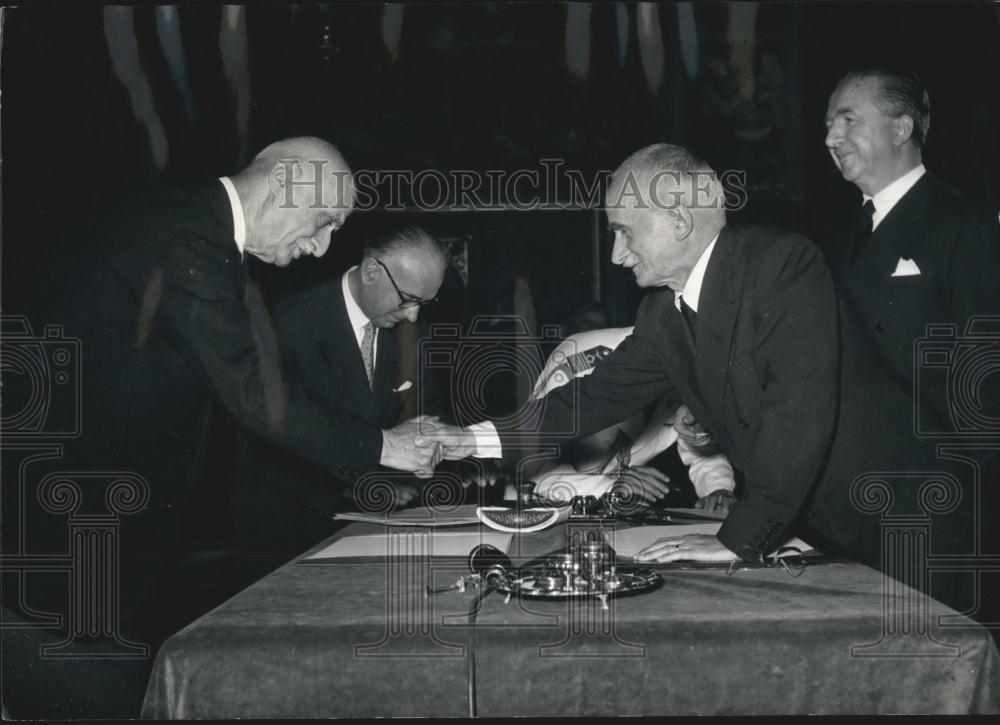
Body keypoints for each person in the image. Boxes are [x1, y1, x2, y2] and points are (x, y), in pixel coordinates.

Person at [1, 138, 443, 718]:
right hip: (68, 536)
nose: (322, 247)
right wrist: (385, 445)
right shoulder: (185, 235)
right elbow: (254, 394)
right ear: (286, 183)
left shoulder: (200, 232)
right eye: (324, 221)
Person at [431, 143, 960, 587]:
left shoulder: (781, 264)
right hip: (823, 526)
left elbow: (798, 414)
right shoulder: (662, 312)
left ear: (679, 219)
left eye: (623, 231)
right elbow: (589, 399)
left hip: (908, 519)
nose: (616, 255)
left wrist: (734, 541)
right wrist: (465, 441)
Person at [235, 226, 449, 555]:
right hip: (289, 525)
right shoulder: (286, 318)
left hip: (374, 522)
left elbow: (422, 409)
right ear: (372, 271)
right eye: (408, 300)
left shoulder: (411, 329)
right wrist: (355, 485)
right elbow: (271, 435)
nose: (414, 314)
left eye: (425, 302)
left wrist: (423, 454)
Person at [823, 68, 1000, 428]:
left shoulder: (966, 226)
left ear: (901, 130)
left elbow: (986, 380)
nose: (831, 138)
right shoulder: (838, 238)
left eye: (848, 120)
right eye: (829, 124)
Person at [526, 325, 736, 512]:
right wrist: (609, 487)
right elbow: (529, 469)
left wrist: (718, 489)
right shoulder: (576, 360)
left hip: (612, 508)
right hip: (535, 510)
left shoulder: (691, 366)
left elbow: (700, 448)